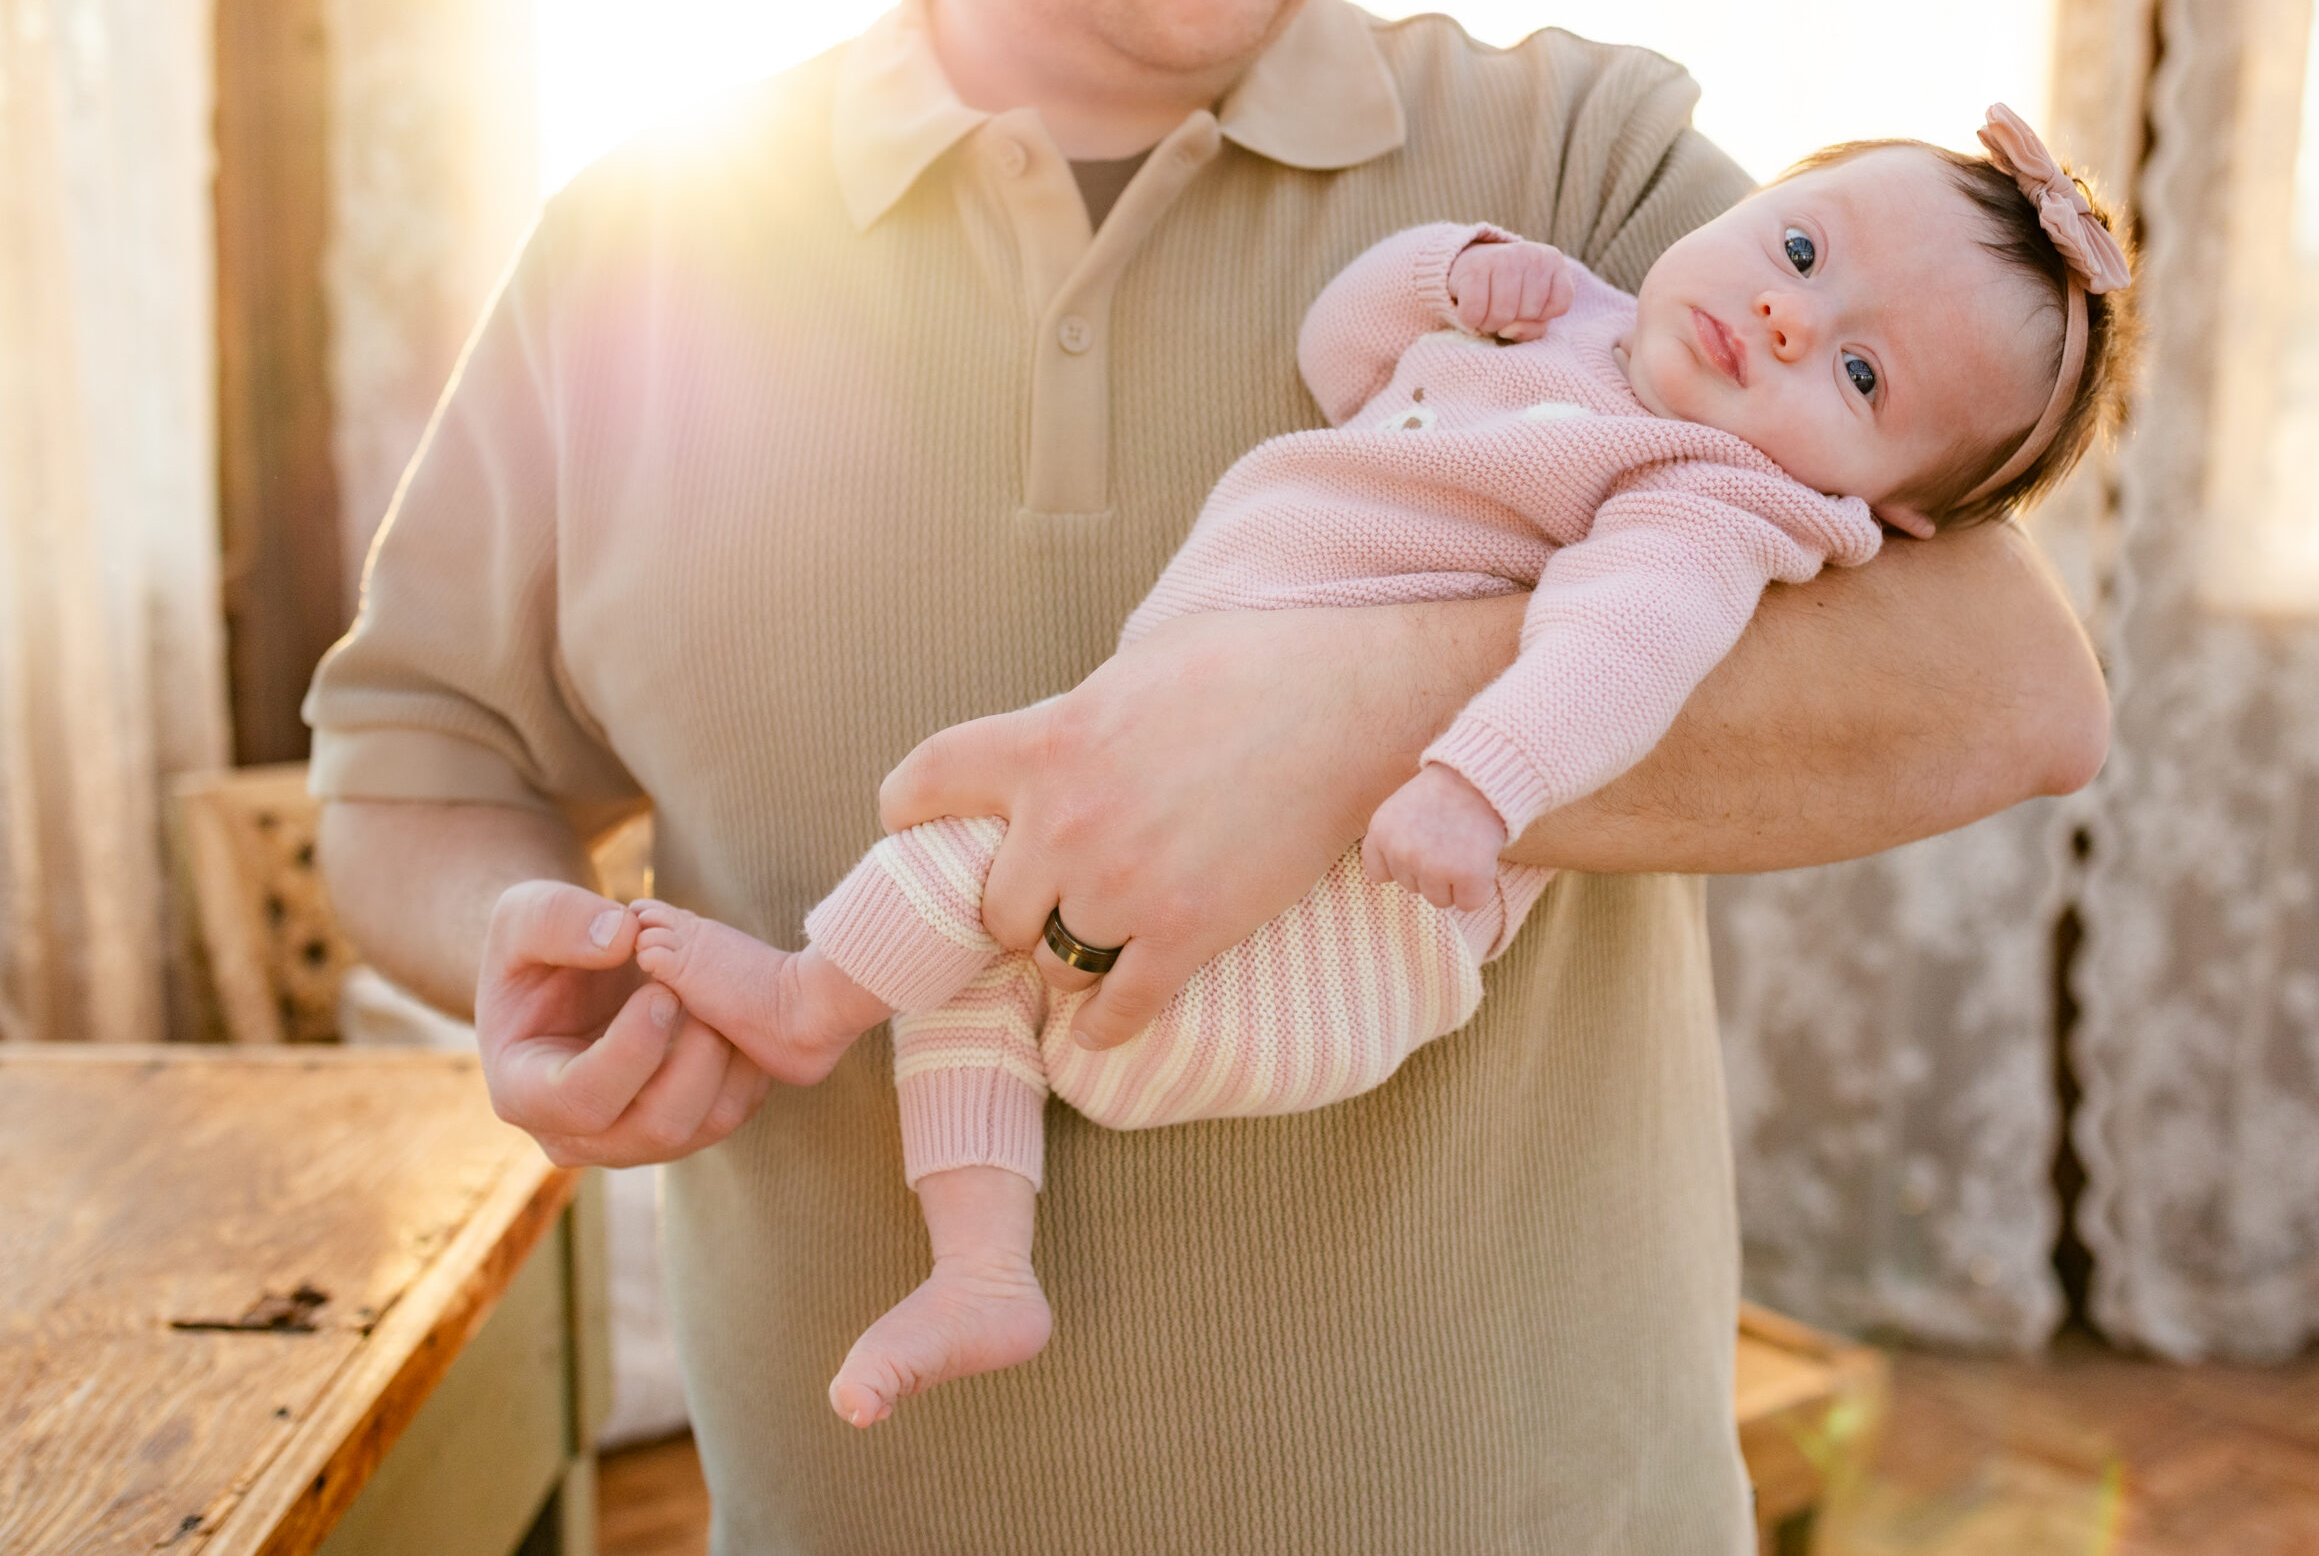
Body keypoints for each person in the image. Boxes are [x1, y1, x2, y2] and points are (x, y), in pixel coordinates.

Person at [309, 0, 2111, 1548]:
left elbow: (2012, 693)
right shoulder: (632, 249)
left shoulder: (1582, 163)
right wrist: (512, 945)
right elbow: (417, 762)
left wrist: (1341, 718)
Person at [622, 111, 2137, 1429]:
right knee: (980, 971)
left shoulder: (1714, 498)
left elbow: (1615, 658)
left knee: (972, 851)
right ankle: (982, 1272)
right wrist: (1444, 271)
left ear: (1900, 516)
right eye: (1802, 251)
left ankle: (804, 1003)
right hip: (1205, 883)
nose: (1793, 320)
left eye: (1865, 377)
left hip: (1351, 933)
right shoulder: (1568, 331)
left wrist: (1469, 788)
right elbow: (1342, 354)